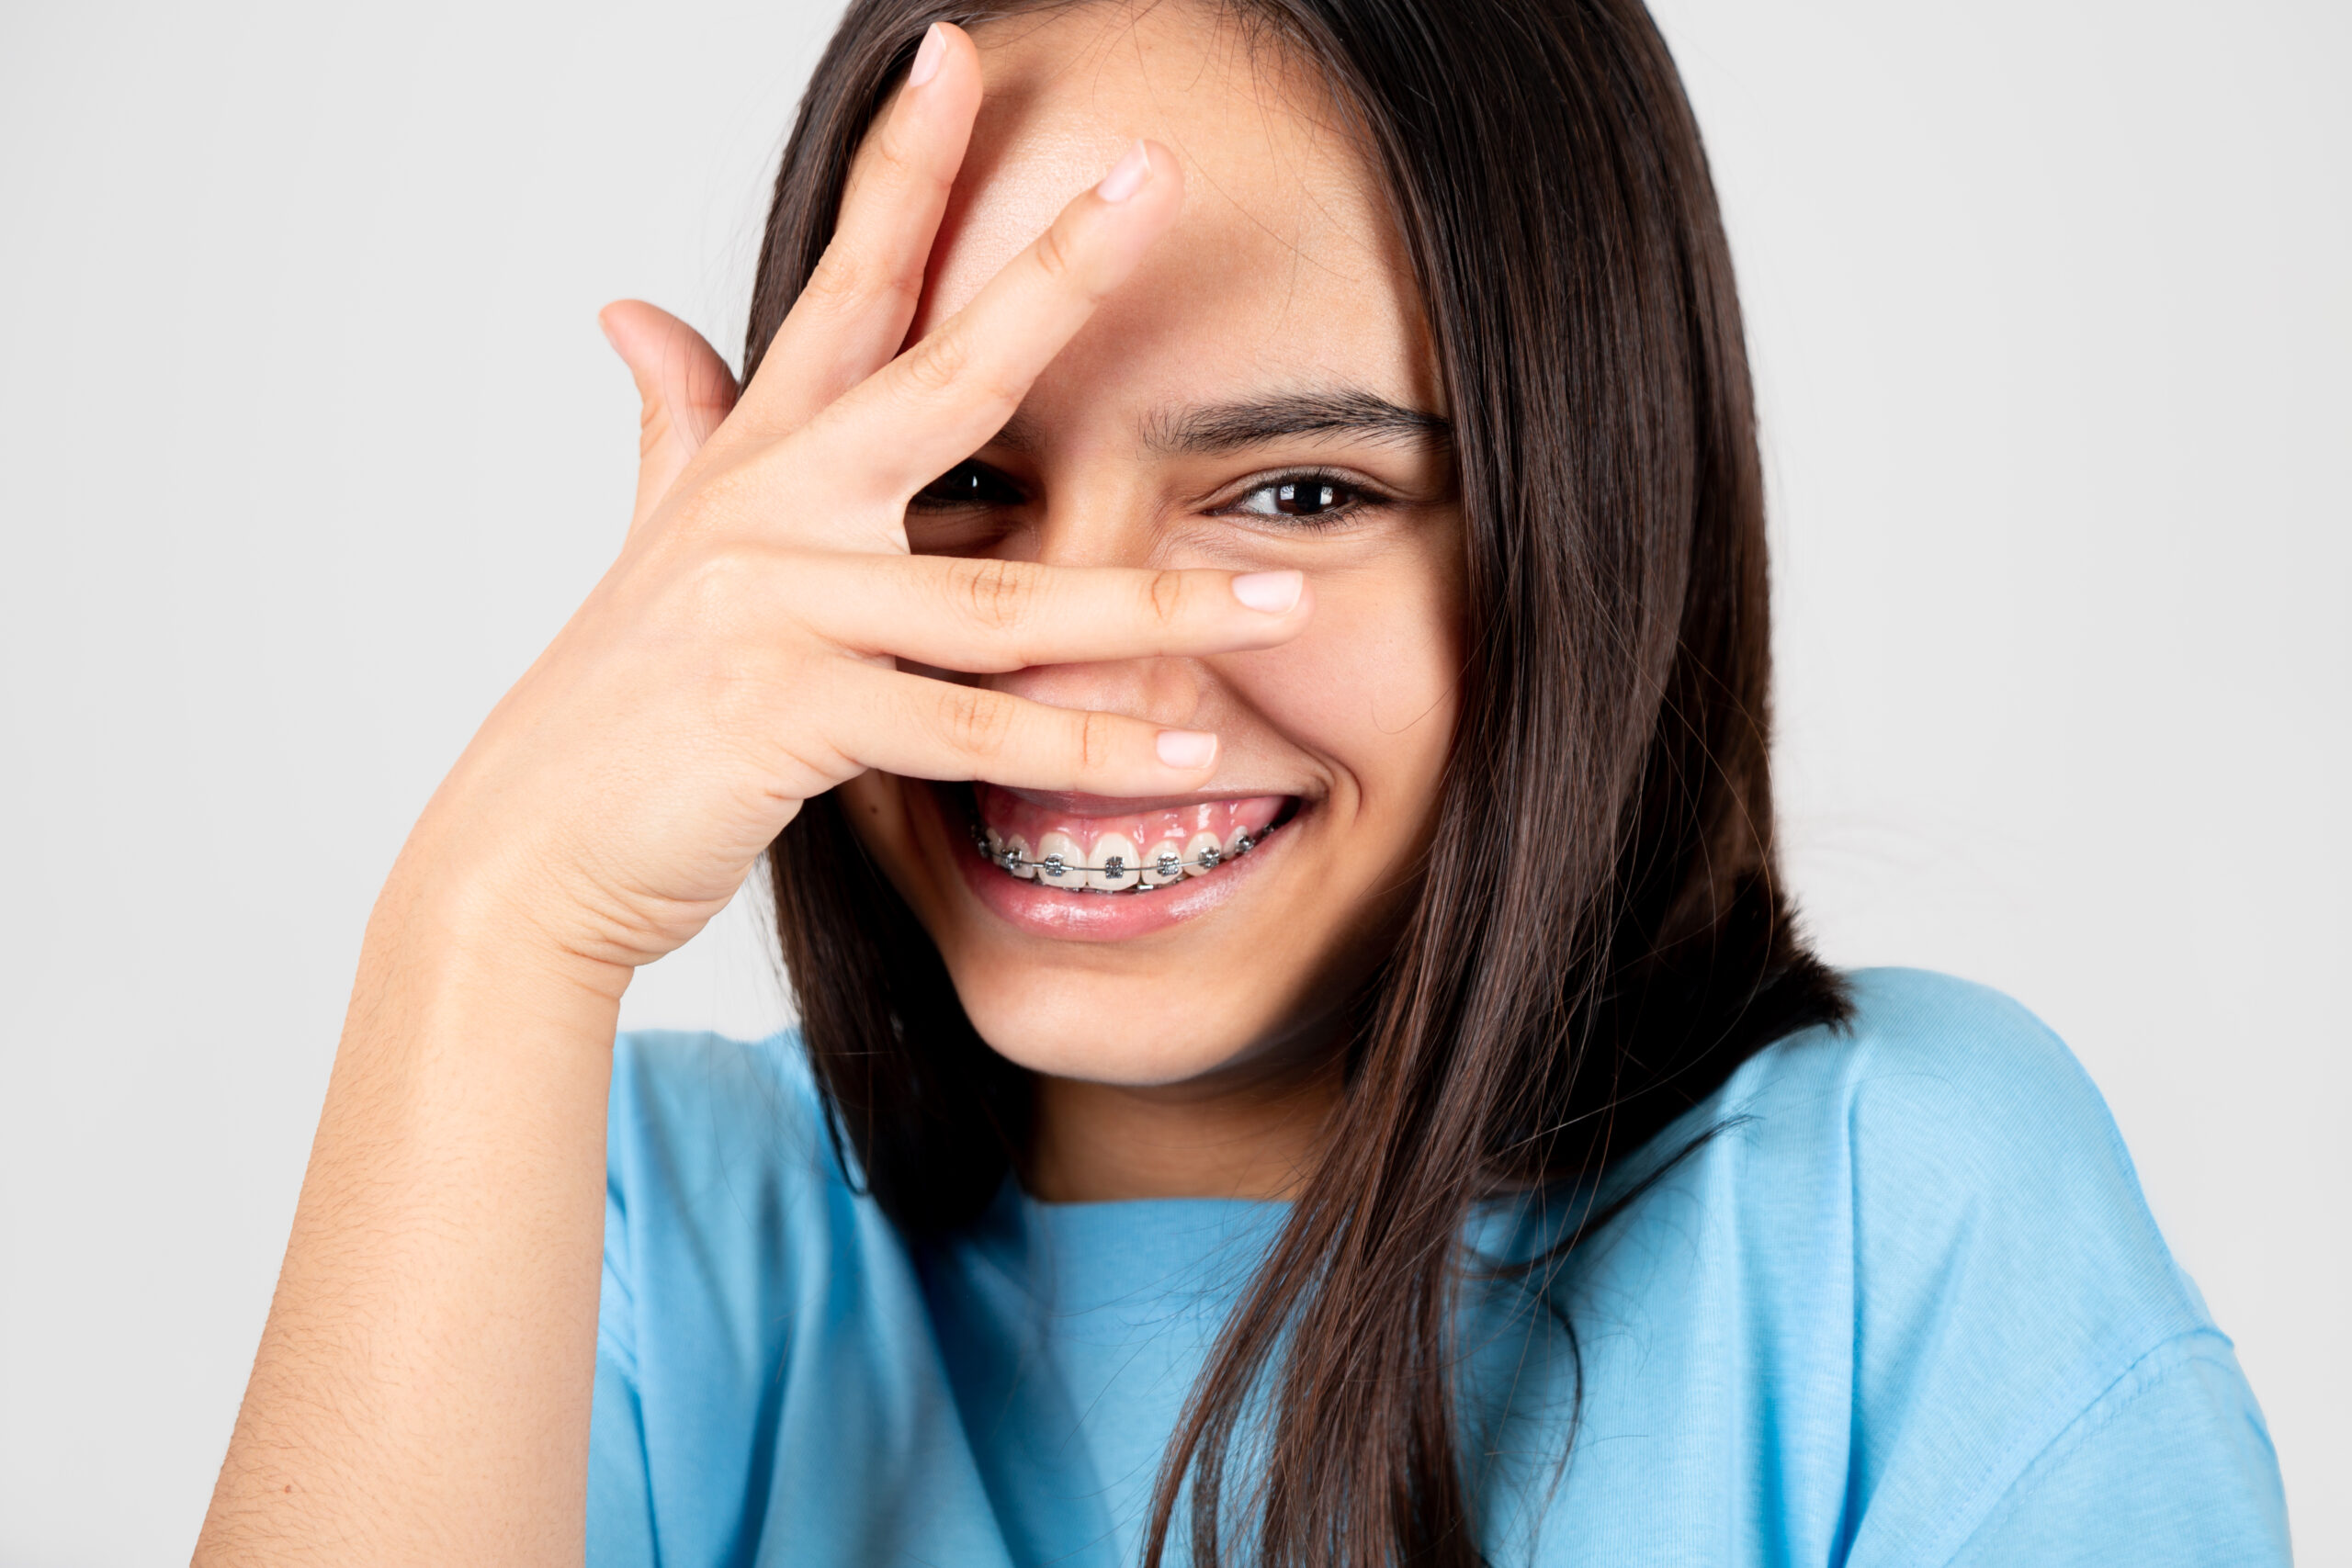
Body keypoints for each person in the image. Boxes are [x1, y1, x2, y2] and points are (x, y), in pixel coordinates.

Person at [194, 1, 2292, 1563]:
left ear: (1583, 532)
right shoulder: (633, 1228)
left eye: (1296, 487)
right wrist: (494, 918)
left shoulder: (1889, 1219)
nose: (1080, 635)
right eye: (958, 479)